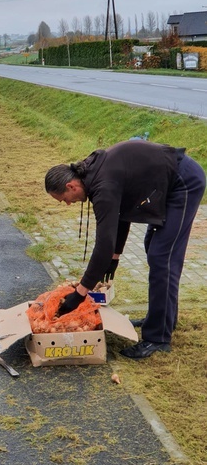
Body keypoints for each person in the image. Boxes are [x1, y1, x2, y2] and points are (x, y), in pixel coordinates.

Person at [45, 140, 206, 359]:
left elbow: (104, 242)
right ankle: (161, 319)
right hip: (167, 181)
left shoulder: (102, 186)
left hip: (183, 182)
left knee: (162, 258)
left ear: (70, 186)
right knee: (155, 250)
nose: (68, 204)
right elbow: (121, 214)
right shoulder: (93, 175)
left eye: (64, 199)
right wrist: (115, 256)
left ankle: (158, 339)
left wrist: (80, 293)